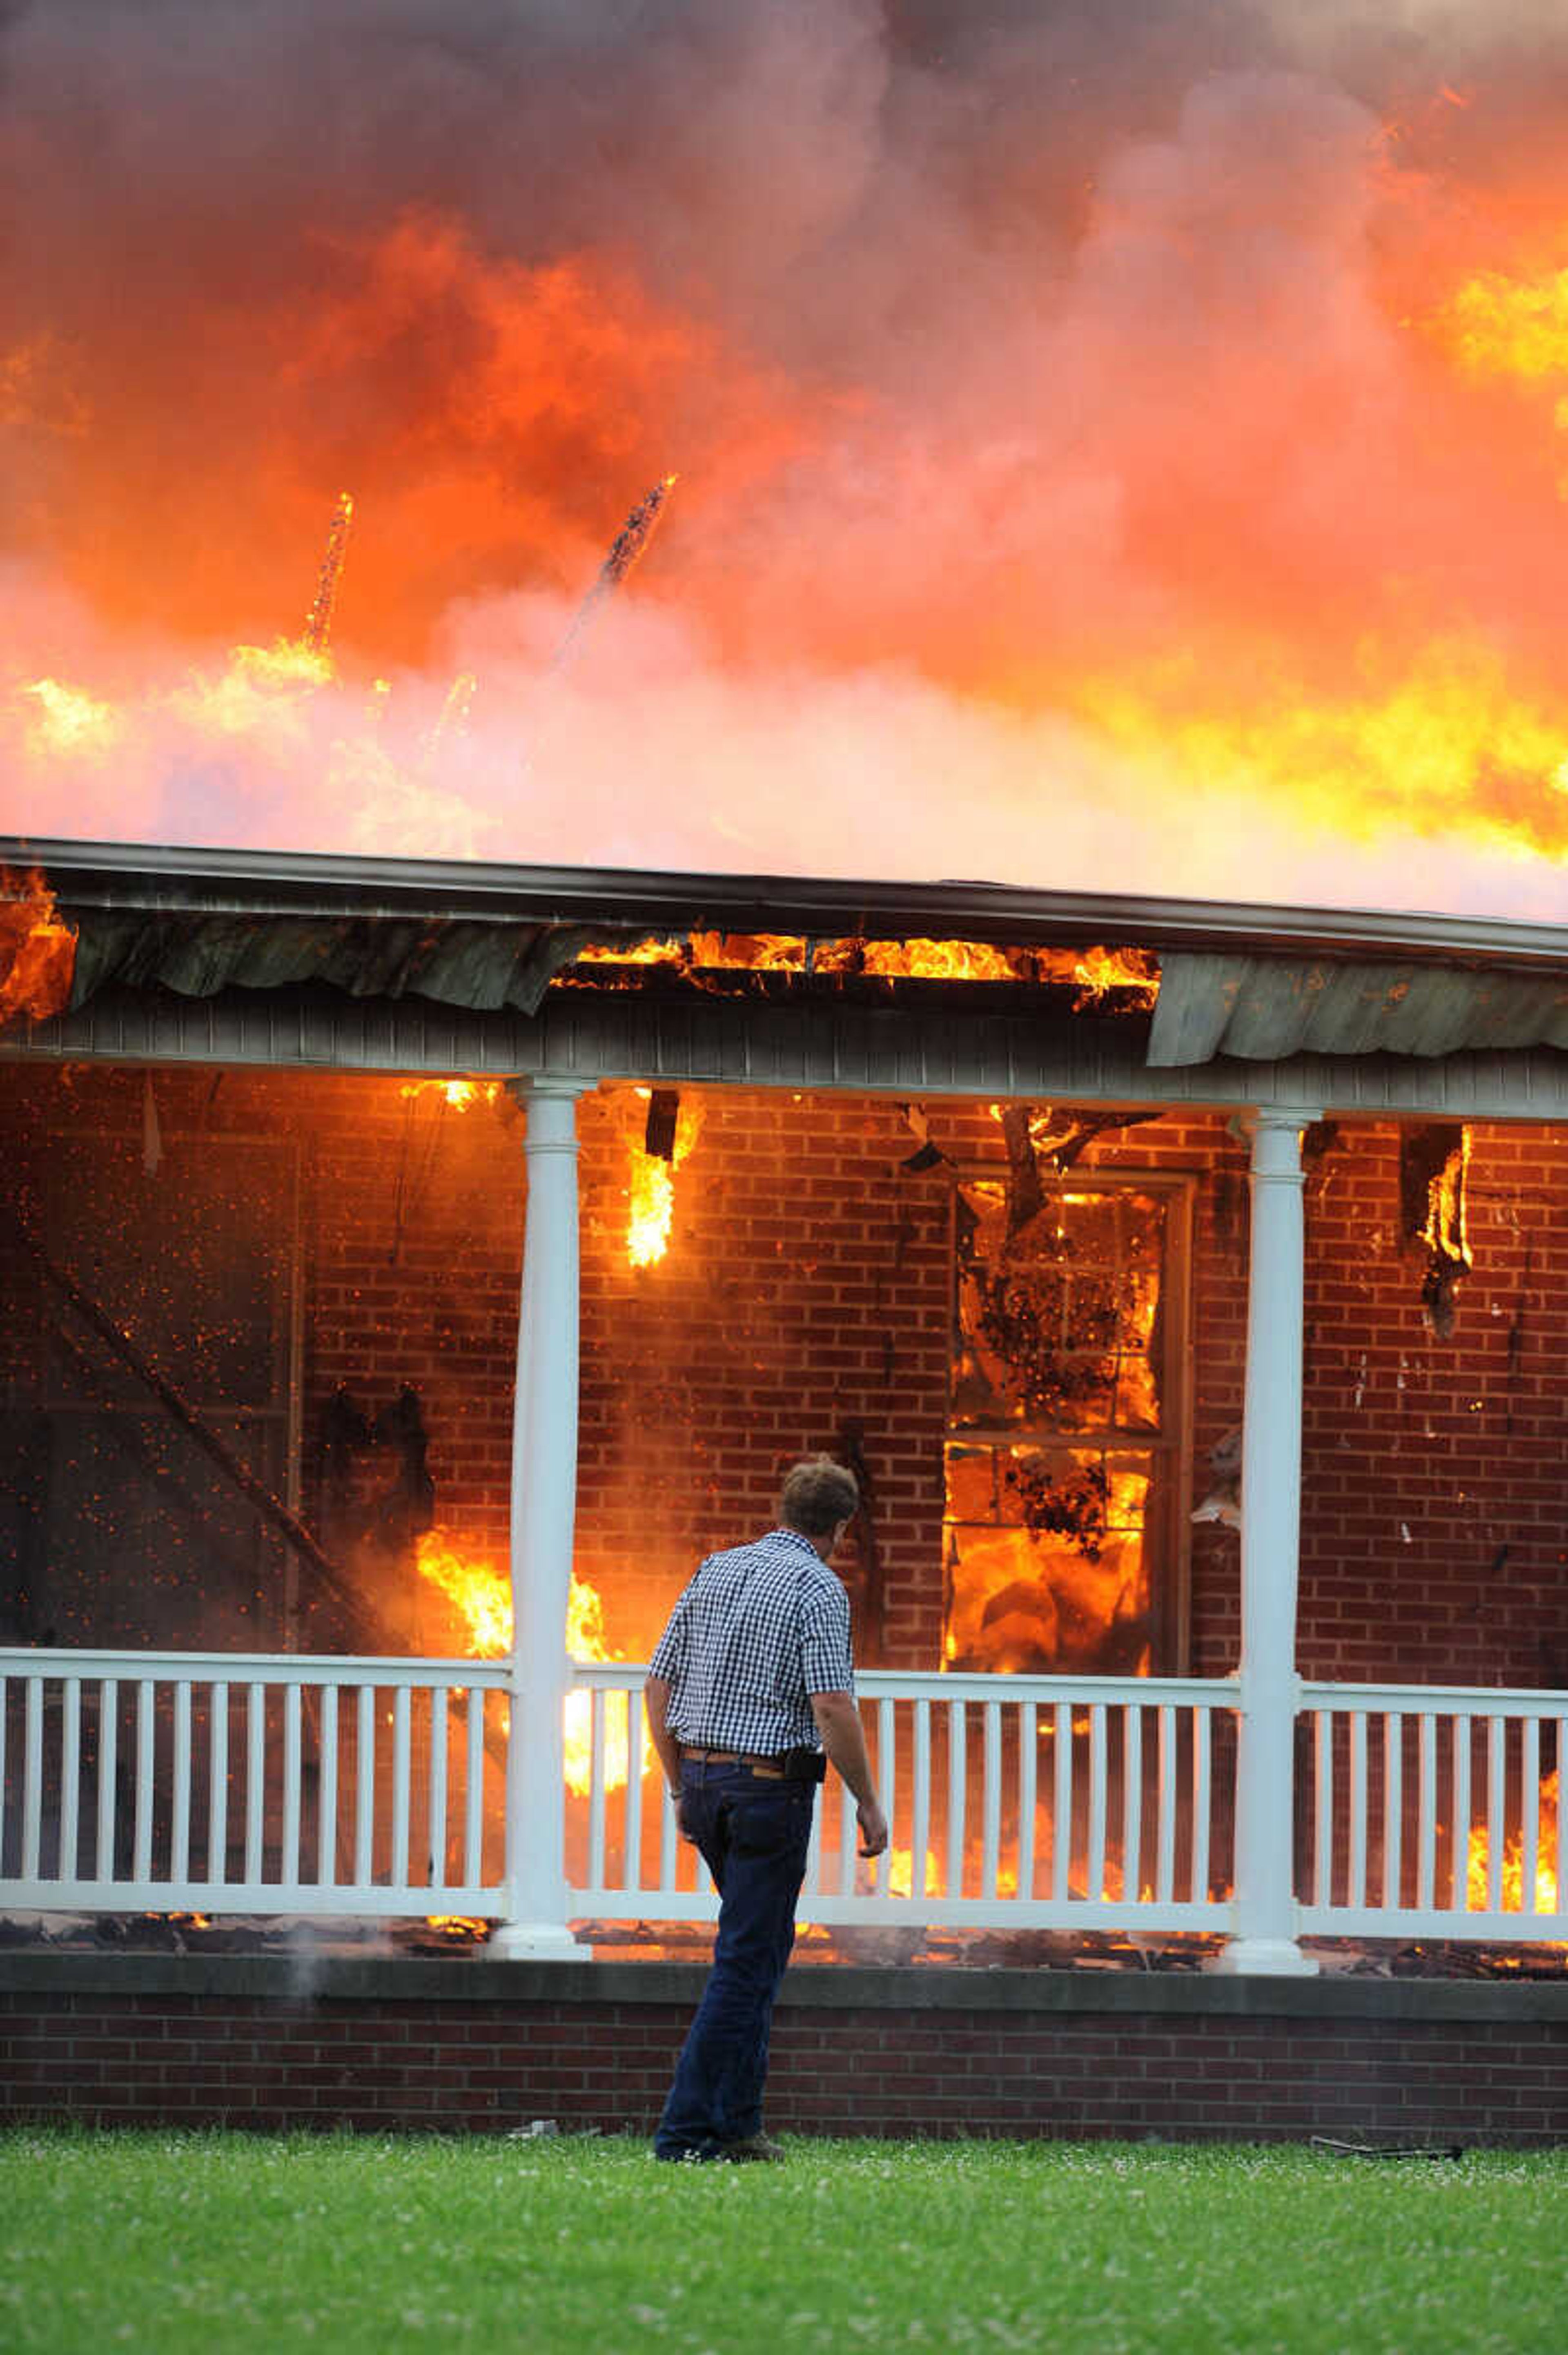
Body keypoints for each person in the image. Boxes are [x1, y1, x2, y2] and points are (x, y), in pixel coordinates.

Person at [645, 1456, 889, 2163]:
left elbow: (657, 1688)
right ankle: (686, 2134)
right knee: (747, 1962)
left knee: (762, 1948)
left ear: (782, 1509)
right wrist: (868, 1802)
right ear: (841, 1527)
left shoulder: (714, 1570)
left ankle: (737, 2126)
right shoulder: (819, 1588)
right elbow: (832, 1706)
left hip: (705, 1783)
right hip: (767, 1793)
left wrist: (677, 1785)